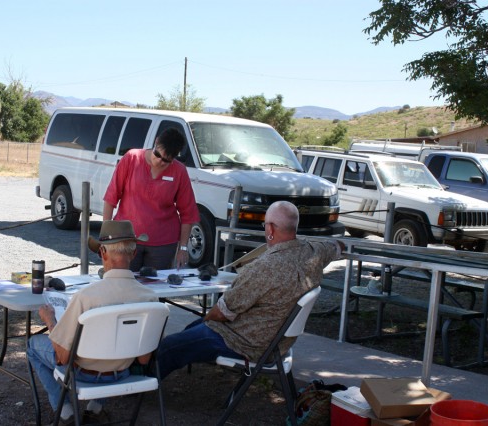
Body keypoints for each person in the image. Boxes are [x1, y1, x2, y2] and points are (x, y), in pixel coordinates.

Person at [156, 201, 344, 379]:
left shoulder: (264, 267)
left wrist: (207, 320)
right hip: (277, 344)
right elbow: (336, 247)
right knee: (193, 329)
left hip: (245, 343)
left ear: (270, 229)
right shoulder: (314, 252)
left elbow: (221, 312)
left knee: (169, 346)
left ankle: (143, 382)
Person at [27, 220, 157, 425]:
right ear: (133, 254)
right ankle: (95, 409)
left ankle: (66, 412)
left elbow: (62, 357)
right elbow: (143, 359)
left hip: (82, 374)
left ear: (103, 253)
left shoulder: (86, 297)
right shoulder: (150, 299)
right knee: (112, 345)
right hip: (121, 373)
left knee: (32, 345)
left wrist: (50, 321)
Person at [102, 127, 200, 271]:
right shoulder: (131, 158)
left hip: (163, 245)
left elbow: (188, 213)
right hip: (127, 240)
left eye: (166, 160)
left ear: (174, 158)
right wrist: (106, 237)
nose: (159, 161)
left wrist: (183, 248)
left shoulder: (179, 171)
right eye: (157, 154)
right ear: (156, 142)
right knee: (123, 286)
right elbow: (111, 198)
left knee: (156, 291)